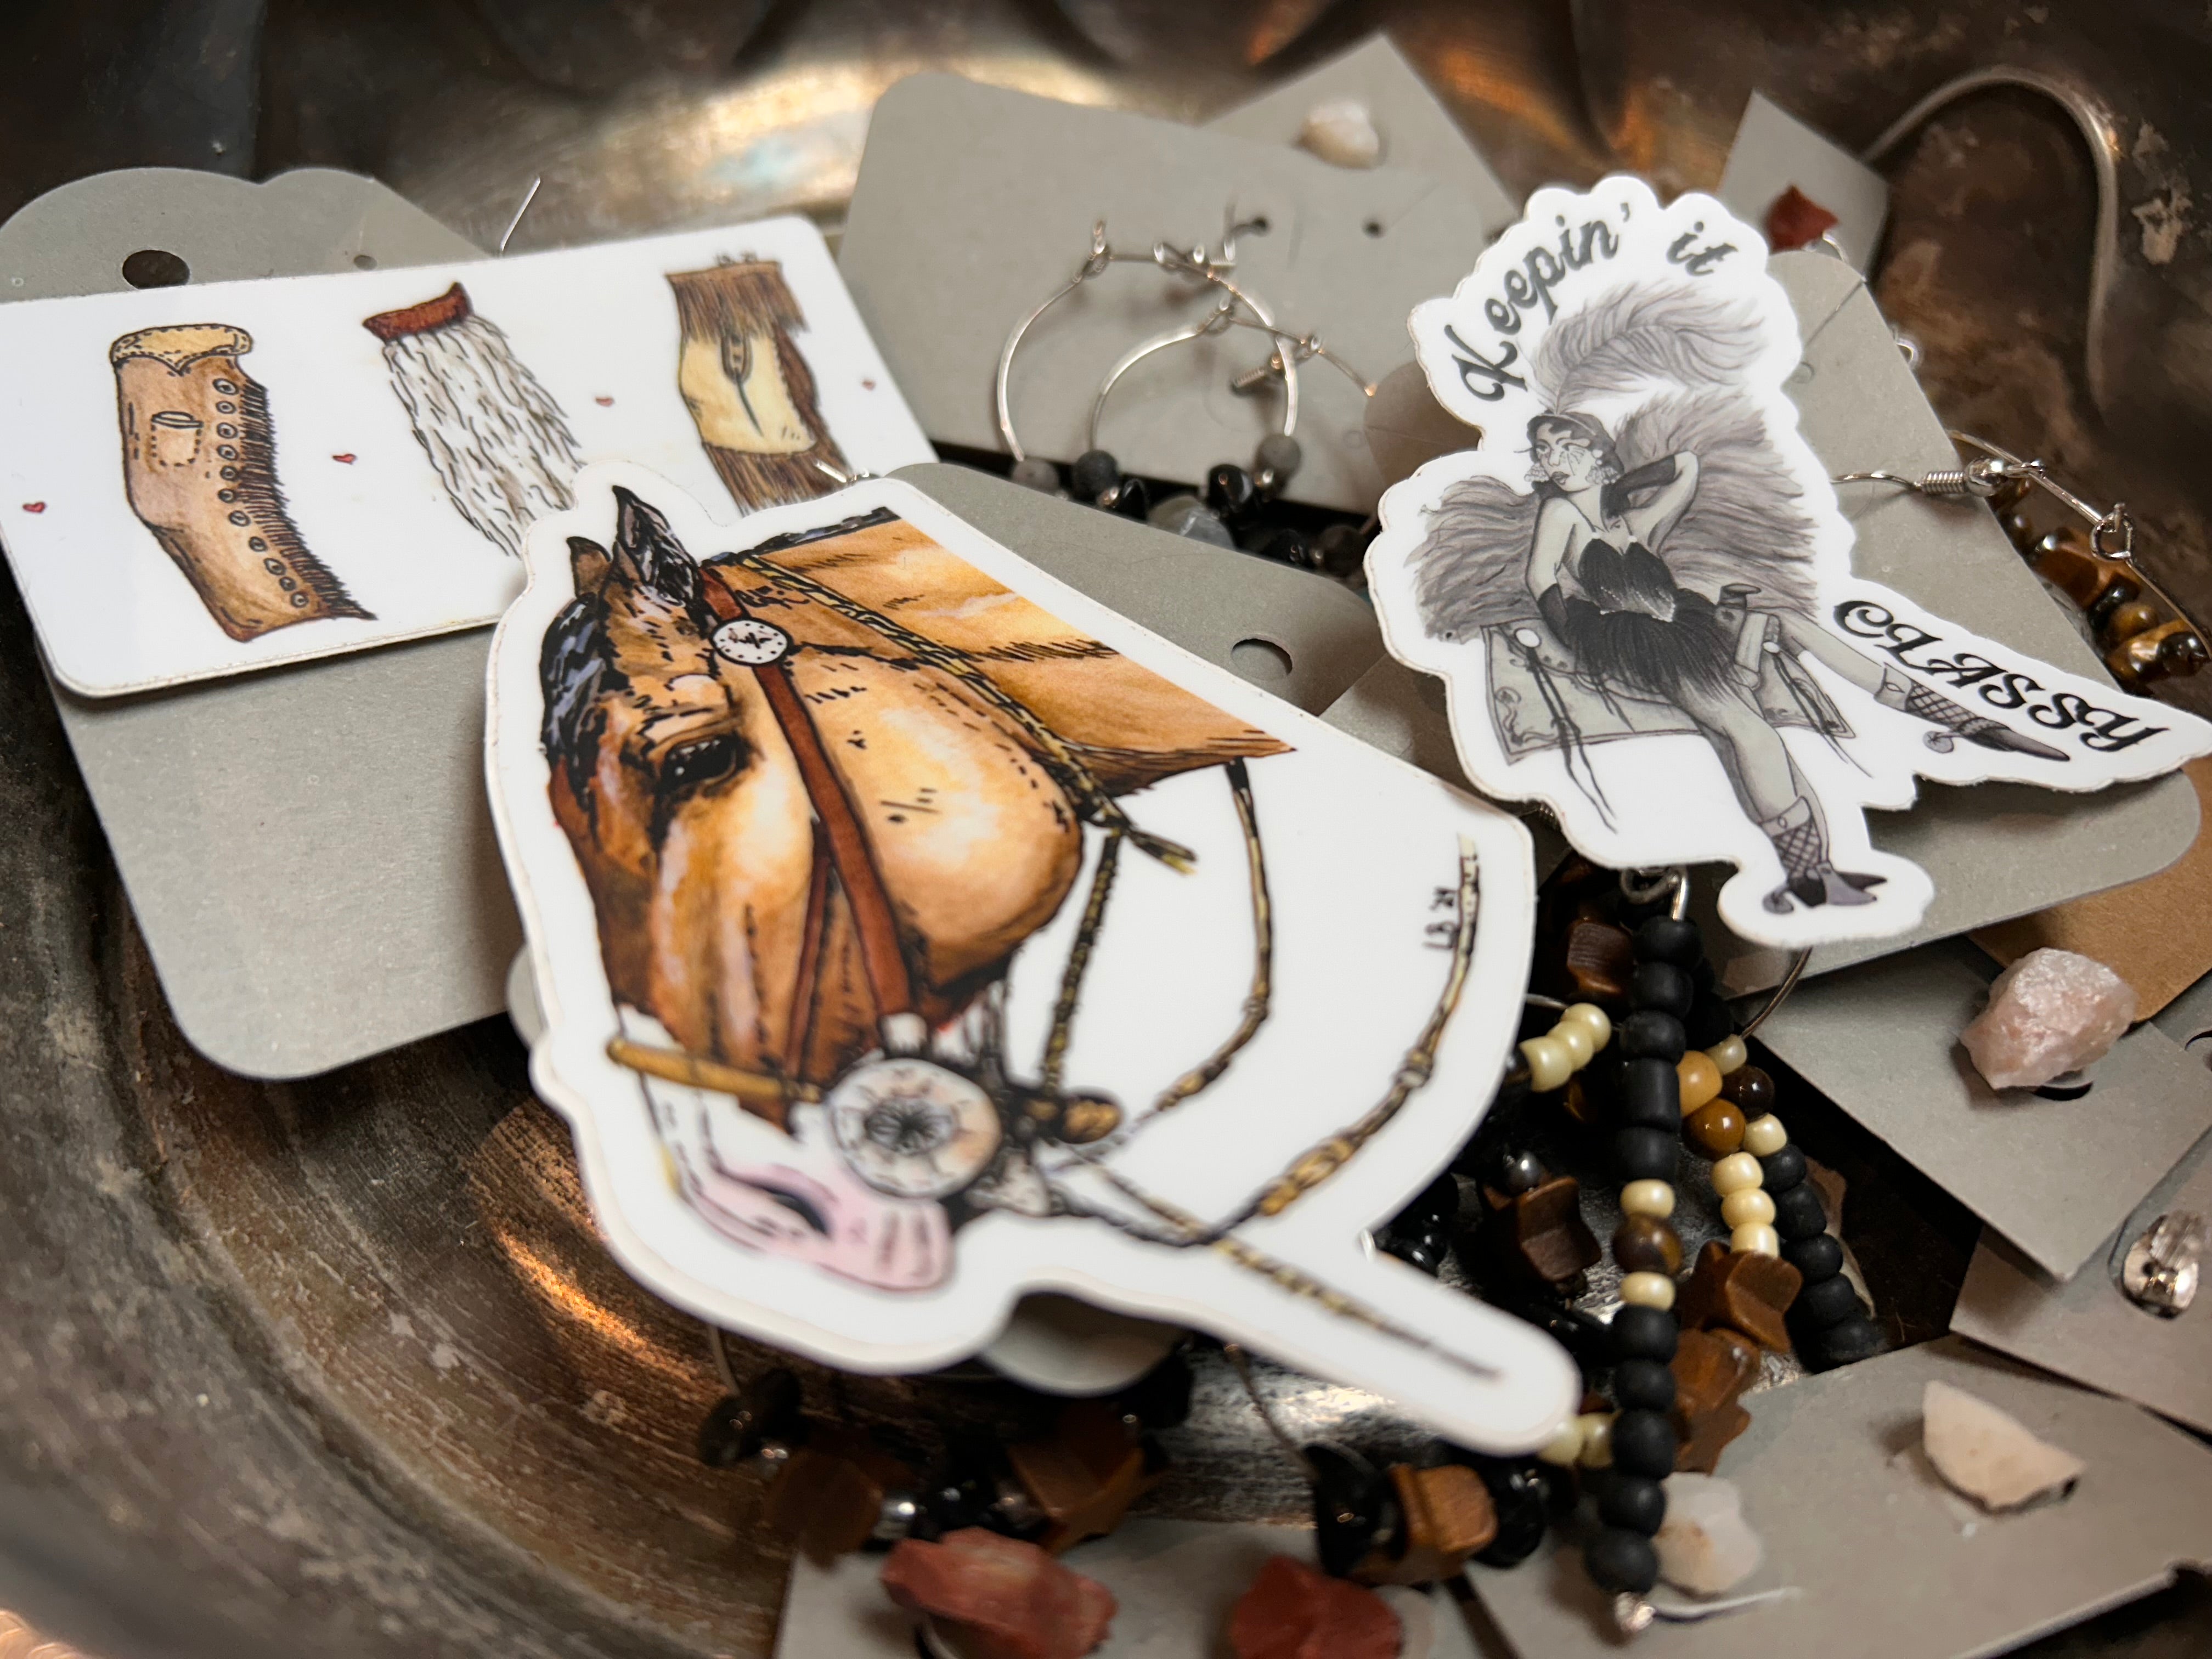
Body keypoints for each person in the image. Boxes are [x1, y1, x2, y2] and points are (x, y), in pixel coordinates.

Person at [1520, 411, 2059, 912]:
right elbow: (1541, 576)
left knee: (1794, 625)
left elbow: (1686, 467)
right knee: (1753, 734)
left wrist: (1619, 487)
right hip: (1632, 640)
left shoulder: (1638, 522)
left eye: (1567, 448)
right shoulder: (1561, 512)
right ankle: (1806, 875)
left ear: (1598, 453)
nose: (1553, 461)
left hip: (1684, 624)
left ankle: (1966, 721)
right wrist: (1577, 641)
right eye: (1544, 452)